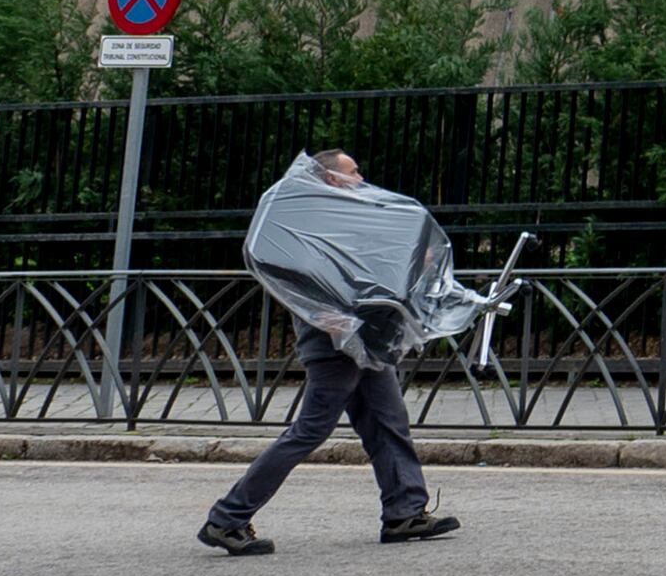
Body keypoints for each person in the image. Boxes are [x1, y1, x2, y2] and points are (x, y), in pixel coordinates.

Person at [198, 144, 499, 555]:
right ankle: (227, 518)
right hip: (334, 345)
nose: (360, 179)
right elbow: (302, 282)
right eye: (352, 172)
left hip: (369, 339)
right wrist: (334, 322)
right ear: (328, 178)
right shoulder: (305, 225)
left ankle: (404, 512)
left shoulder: (344, 220)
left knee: (388, 422)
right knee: (309, 431)